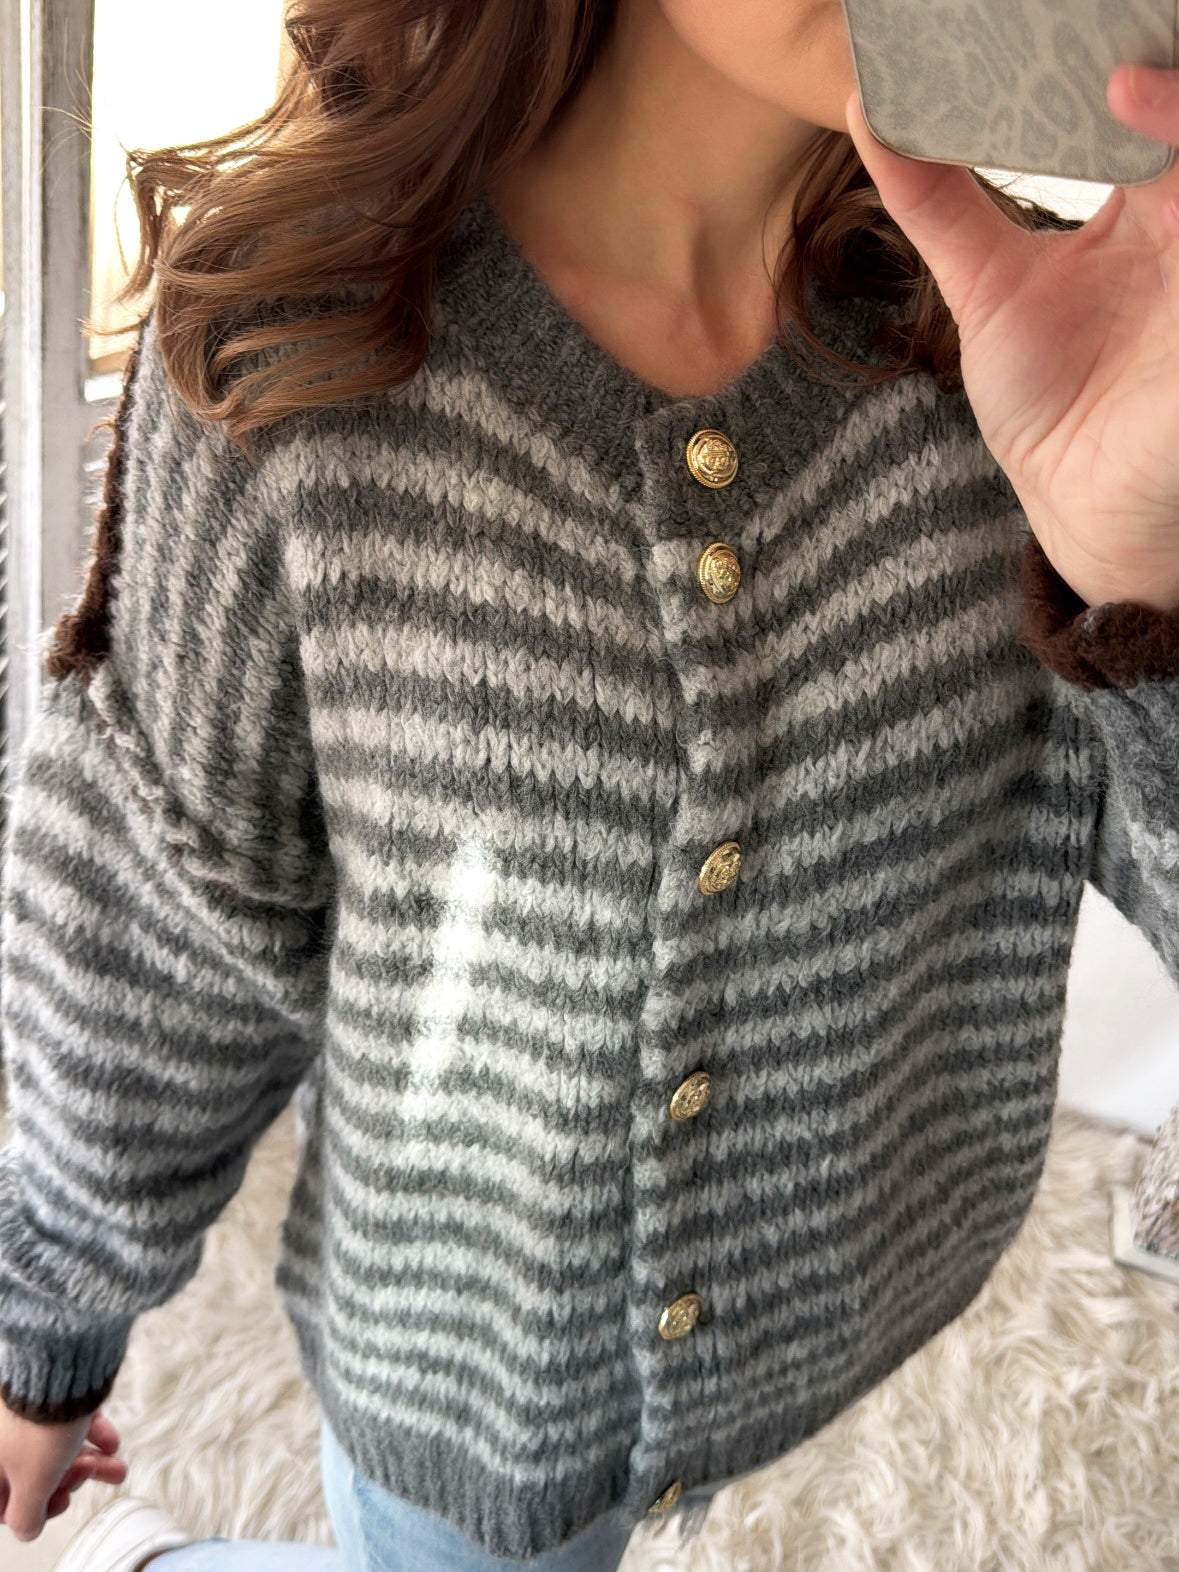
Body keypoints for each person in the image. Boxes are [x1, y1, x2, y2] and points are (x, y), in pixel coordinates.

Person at [2, 1, 1179, 1568]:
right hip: (465, 1382)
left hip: (843, 1304)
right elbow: (164, 934)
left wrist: (1147, 589)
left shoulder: (1043, 342)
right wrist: (39, 1323)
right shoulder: (301, 347)